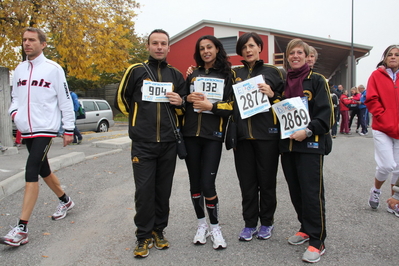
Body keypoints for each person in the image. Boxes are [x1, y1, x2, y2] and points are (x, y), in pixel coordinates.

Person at [1, 27, 75, 247]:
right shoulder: (20, 69)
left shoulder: (53, 69)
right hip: (27, 129)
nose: (27, 43)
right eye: (24, 40)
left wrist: (68, 129)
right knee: (43, 169)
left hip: (45, 128)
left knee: (31, 170)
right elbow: (15, 98)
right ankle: (66, 201)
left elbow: (64, 100)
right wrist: (15, 114)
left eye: (32, 40)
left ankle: (22, 228)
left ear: (42, 44)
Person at [114, 29, 186, 258]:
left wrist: (179, 102)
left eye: (163, 43)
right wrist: (137, 122)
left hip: (168, 143)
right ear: (148, 46)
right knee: (144, 191)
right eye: (154, 43)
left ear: (168, 47)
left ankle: (158, 231)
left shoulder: (175, 75)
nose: (159, 47)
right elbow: (121, 100)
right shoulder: (135, 71)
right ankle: (143, 236)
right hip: (143, 144)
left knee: (163, 191)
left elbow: (184, 109)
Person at [280, 39, 333, 263]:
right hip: (288, 145)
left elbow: (326, 115)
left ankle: (317, 240)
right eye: (291, 53)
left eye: (300, 53)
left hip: (310, 145)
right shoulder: (283, 82)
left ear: (306, 55)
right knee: (295, 189)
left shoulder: (317, 80)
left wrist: (308, 131)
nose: (295, 56)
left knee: (312, 193)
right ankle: (304, 227)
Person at [232, 32, 284, 242]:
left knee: (267, 182)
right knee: (247, 183)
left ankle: (267, 222)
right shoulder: (235, 73)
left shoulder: (273, 71)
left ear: (259, 47)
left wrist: (272, 95)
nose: (248, 50)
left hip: (267, 136)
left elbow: (285, 97)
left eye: (252, 46)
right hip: (243, 137)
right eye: (244, 47)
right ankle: (249, 224)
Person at [182, 35, 233, 249]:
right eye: (202, 48)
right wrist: (187, 99)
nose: (206, 51)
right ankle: (201, 224)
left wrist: (212, 107)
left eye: (209, 47)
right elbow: (183, 101)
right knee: (195, 184)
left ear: (217, 49)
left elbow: (232, 107)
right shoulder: (192, 74)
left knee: (207, 183)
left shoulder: (226, 75)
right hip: (191, 135)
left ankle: (215, 227)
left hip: (213, 136)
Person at [365, 44, 399, 212]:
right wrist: (383, 116)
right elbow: (371, 99)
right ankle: (376, 190)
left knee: (398, 168)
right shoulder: (376, 75)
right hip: (382, 127)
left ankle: (394, 201)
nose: (393, 57)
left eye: (397, 55)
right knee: (387, 165)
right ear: (385, 58)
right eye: (390, 54)